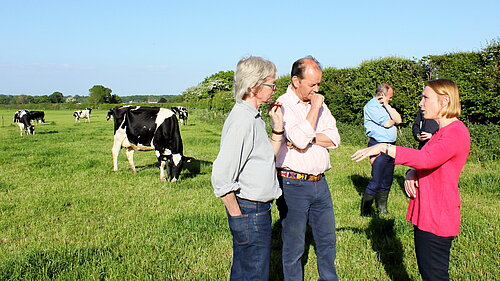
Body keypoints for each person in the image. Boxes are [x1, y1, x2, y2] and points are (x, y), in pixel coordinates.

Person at [352, 79, 470, 281]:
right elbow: (429, 161)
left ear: (444, 101)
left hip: (438, 216)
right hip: (428, 213)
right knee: (428, 273)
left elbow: (426, 159)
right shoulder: (441, 133)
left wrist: (384, 147)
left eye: (425, 98)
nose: (420, 103)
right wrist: (411, 173)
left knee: (435, 275)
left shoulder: (455, 132)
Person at [211, 56, 284, 281]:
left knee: (246, 272)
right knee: (254, 274)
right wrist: (238, 216)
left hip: (254, 210)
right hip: (250, 211)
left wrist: (278, 128)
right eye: (271, 84)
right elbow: (221, 177)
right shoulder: (243, 121)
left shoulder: (252, 117)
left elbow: (265, 159)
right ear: (254, 87)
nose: (274, 89)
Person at [274, 56, 341, 281]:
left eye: (319, 84)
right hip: (293, 183)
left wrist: (308, 137)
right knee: (294, 245)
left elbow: (334, 138)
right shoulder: (283, 105)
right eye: (312, 84)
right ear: (295, 80)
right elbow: (299, 140)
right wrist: (314, 111)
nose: (317, 90)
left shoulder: (320, 104)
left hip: (320, 183)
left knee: (327, 241)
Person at [361, 83, 402, 216]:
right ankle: (365, 211)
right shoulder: (371, 106)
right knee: (377, 179)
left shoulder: (385, 106)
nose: (391, 99)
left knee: (387, 178)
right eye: (389, 97)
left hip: (391, 146)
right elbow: (388, 123)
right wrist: (392, 116)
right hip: (378, 145)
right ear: (382, 95)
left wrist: (387, 106)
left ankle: (382, 207)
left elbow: (398, 120)